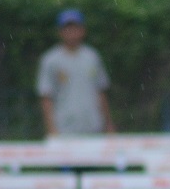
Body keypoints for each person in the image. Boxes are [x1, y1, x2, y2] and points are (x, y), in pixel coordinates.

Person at [36, 9, 114, 138]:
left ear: (83, 30)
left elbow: (101, 91)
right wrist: (52, 129)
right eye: (67, 28)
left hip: (93, 127)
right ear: (60, 32)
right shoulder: (50, 60)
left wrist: (108, 124)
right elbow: (46, 97)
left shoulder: (92, 57)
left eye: (75, 28)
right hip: (65, 130)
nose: (71, 33)